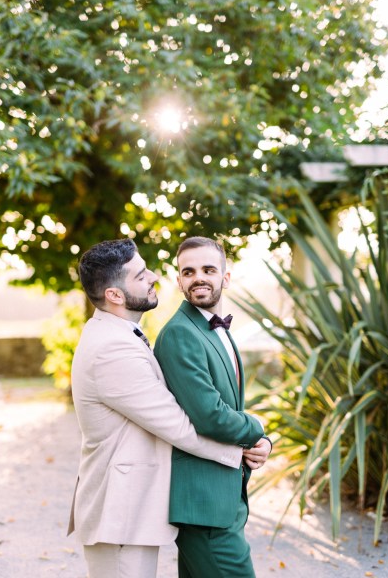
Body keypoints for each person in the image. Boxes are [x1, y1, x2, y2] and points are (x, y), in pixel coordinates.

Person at [67, 238, 266, 578]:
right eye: (141, 275)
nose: (154, 277)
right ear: (115, 295)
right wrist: (245, 444)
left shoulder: (120, 334)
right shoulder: (113, 349)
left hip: (130, 510)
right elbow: (180, 426)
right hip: (119, 513)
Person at [154, 236, 273, 578]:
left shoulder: (218, 330)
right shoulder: (179, 333)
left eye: (208, 269)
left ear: (226, 276)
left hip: (223, 494)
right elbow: (209, 416)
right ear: (179, 281)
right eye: (188, 271)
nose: (198, 278)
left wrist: (259, 444)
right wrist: (258, 430)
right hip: (202, 503)